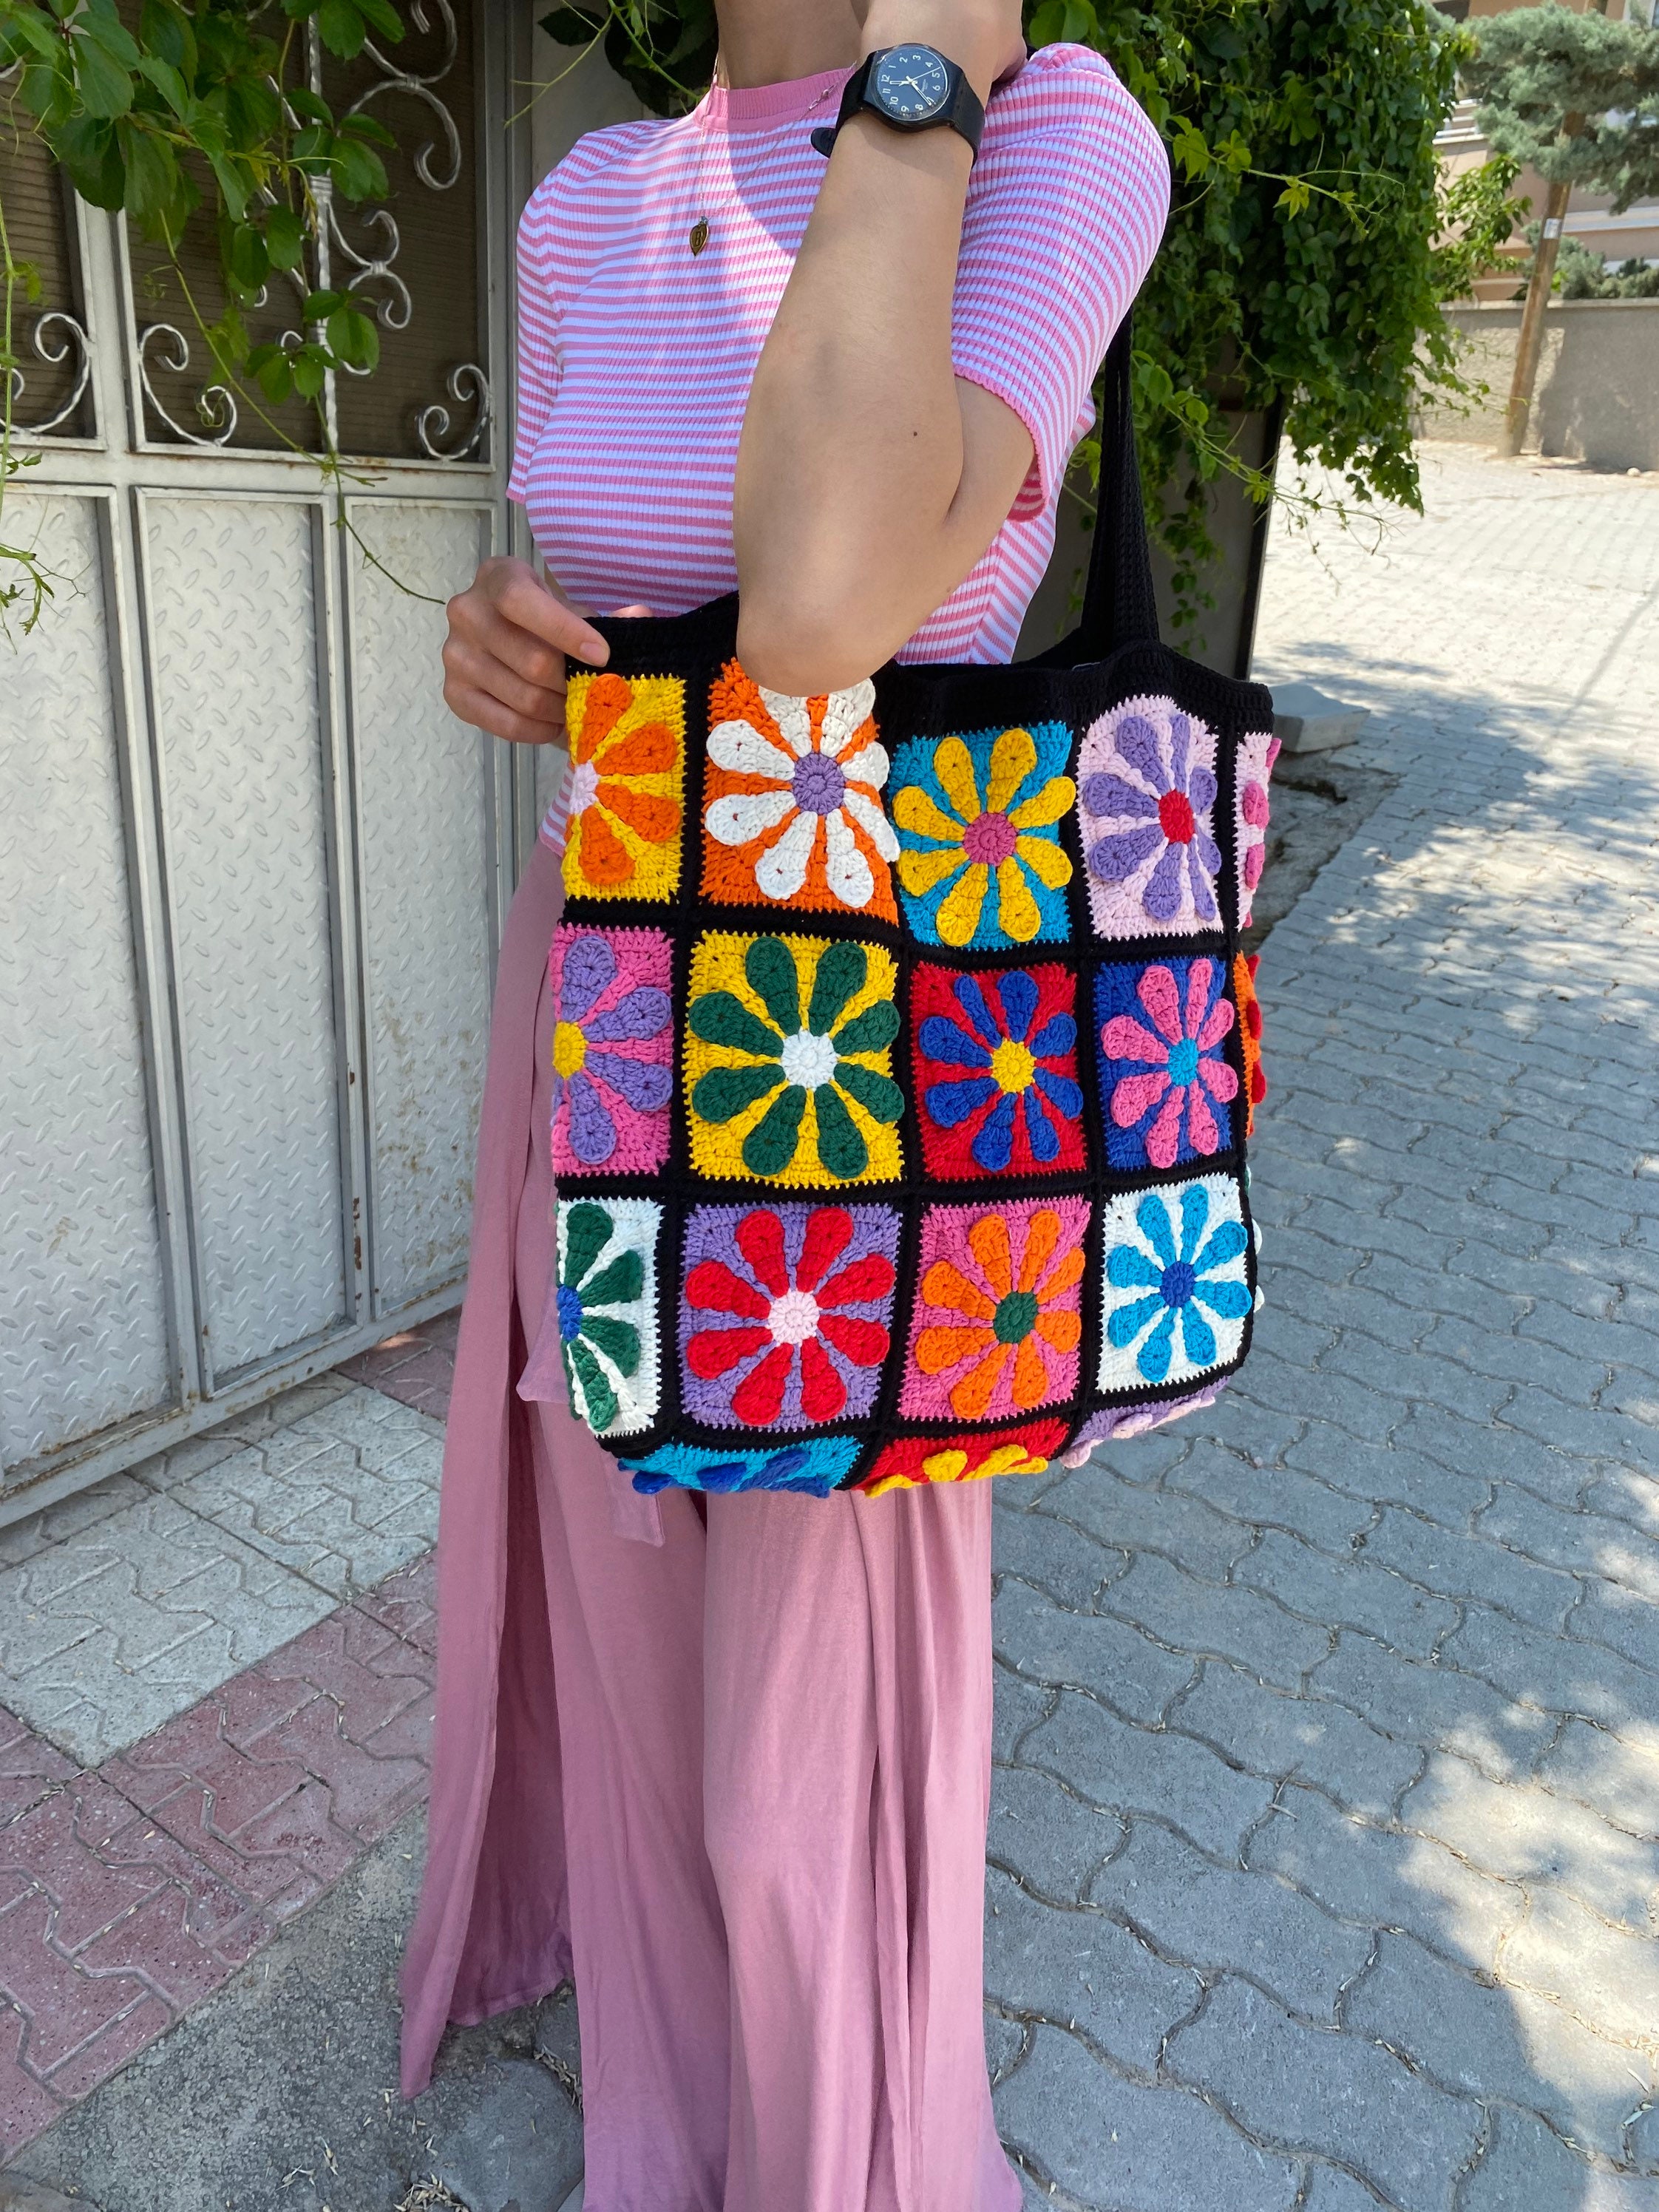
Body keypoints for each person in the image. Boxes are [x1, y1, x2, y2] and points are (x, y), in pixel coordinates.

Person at [402, 4, 1169, 2206]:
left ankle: (854, 2161)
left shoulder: (1045, 129)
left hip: (876, 1056)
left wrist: (917, 71)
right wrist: (513, 643)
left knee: (792, 1772)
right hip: (613, 1001)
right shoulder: (592, 198)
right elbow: (629, 612)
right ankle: (666, 2126)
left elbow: (828, 600)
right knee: (632, 1667)